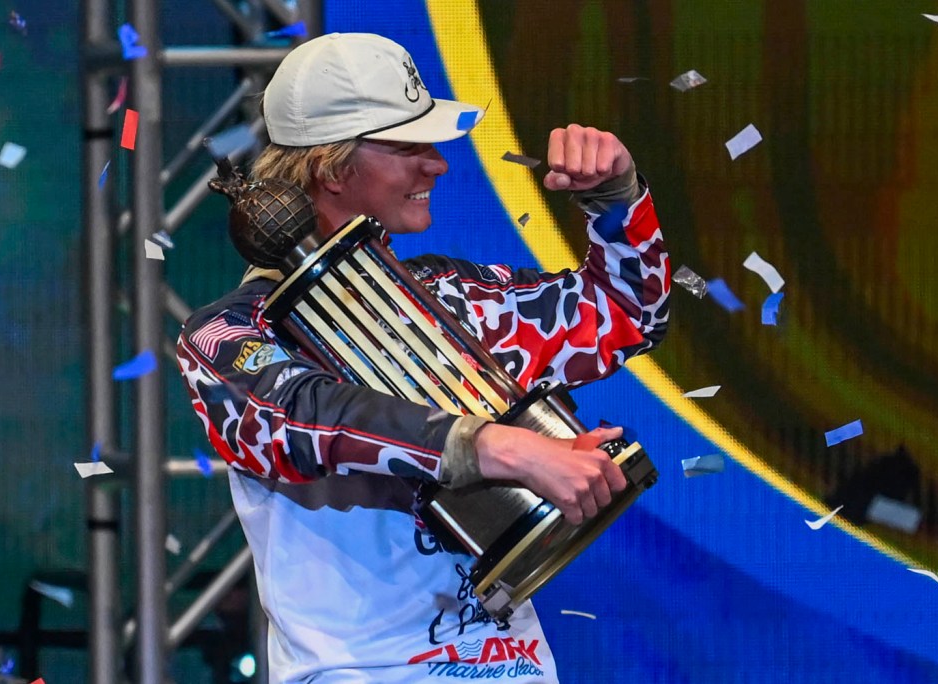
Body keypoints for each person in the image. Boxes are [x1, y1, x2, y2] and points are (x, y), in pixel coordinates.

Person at [177, 32, 669, 683]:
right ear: (331, 169)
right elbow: (297, 417)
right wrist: (502, 447)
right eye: (408, 147)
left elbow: (625, 314)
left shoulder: (449, 297)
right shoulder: (232, 334)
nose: (437, 165)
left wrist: (614, 200)